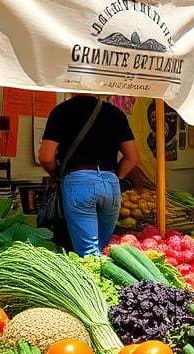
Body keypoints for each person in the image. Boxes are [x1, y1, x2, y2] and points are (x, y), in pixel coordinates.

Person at [38, 94, 138, 256]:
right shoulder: (116, 113)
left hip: (78, 182)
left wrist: (58, 175)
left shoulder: (61, 111)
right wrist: (115, 177)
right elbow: (132, 157)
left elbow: (45, 156)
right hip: (110, 184)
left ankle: (95, 280)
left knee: (89, 253)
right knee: (104, 248)